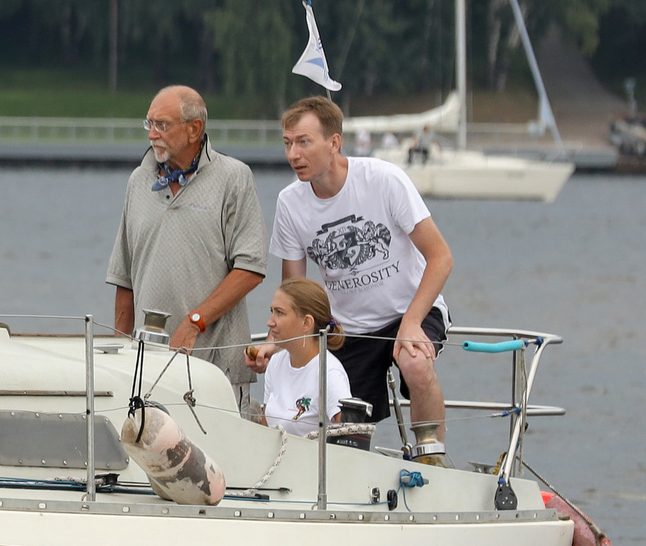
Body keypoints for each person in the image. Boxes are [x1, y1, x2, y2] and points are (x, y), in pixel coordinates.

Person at [264, 94, 456, 464]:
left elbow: (441, 257)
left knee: (415, 362)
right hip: (347, 327)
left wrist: (412, 322)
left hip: (410, 309)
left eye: (303, 142)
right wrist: (276, 342)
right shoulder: (290, 203)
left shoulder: (384, 180)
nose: (293, 155)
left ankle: (432, 461)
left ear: (334, 142)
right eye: (287, 143)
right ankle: (343, 474)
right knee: (337, 409)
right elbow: (295, 293)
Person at [105, 84, 267, 401]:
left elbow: (251, 269)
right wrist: (121, 357)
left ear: (194, 129)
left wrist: (194, 323)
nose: (152, 134)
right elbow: (124, 278)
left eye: (162, 125)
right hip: (146, 368)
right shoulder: (138, 180)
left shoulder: (234, 177)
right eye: (149, 123)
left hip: (216, 372)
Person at [252, 277, 351, 438]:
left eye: (279, 313)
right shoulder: (275, 363)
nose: (270, 322)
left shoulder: (330, 374)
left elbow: (348, 440)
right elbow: (265, 432)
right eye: (272, 311)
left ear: (306, 323)